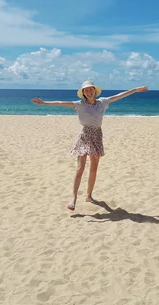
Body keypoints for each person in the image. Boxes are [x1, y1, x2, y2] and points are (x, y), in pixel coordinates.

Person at [32, 81, 149, 211]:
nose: (88, 92)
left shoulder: (103, 102)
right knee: (80, 168)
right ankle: (73, 199)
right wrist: (44, 103)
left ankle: (89, 196)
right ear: (83, 93)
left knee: (93, 169)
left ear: (94, 90)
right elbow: (61, 103)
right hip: (85, 135)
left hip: (97, 136)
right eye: (85, 90)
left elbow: (120, 95)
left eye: (90, 89)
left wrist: (135, 89)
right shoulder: (78, 105)